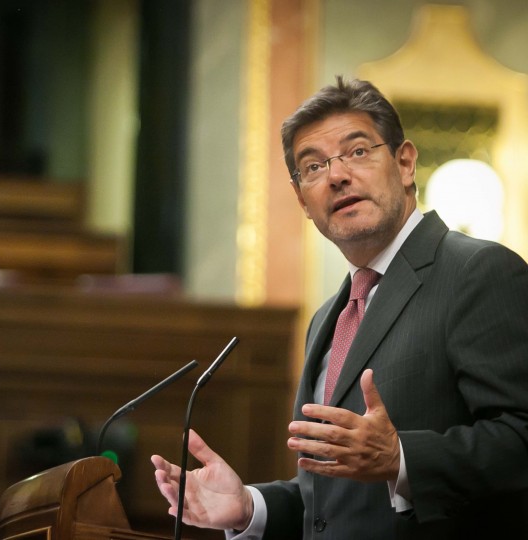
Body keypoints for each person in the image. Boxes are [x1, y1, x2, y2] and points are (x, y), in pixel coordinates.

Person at [151, 76, 528, 539]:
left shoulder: (478, 271)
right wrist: (250, 507)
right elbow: (335, 502)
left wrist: (402, 458)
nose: (337, 175)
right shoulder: (329, 317)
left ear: (405, 162)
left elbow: (521, 436)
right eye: (313, 166)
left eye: (358, 152)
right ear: (302, 201)